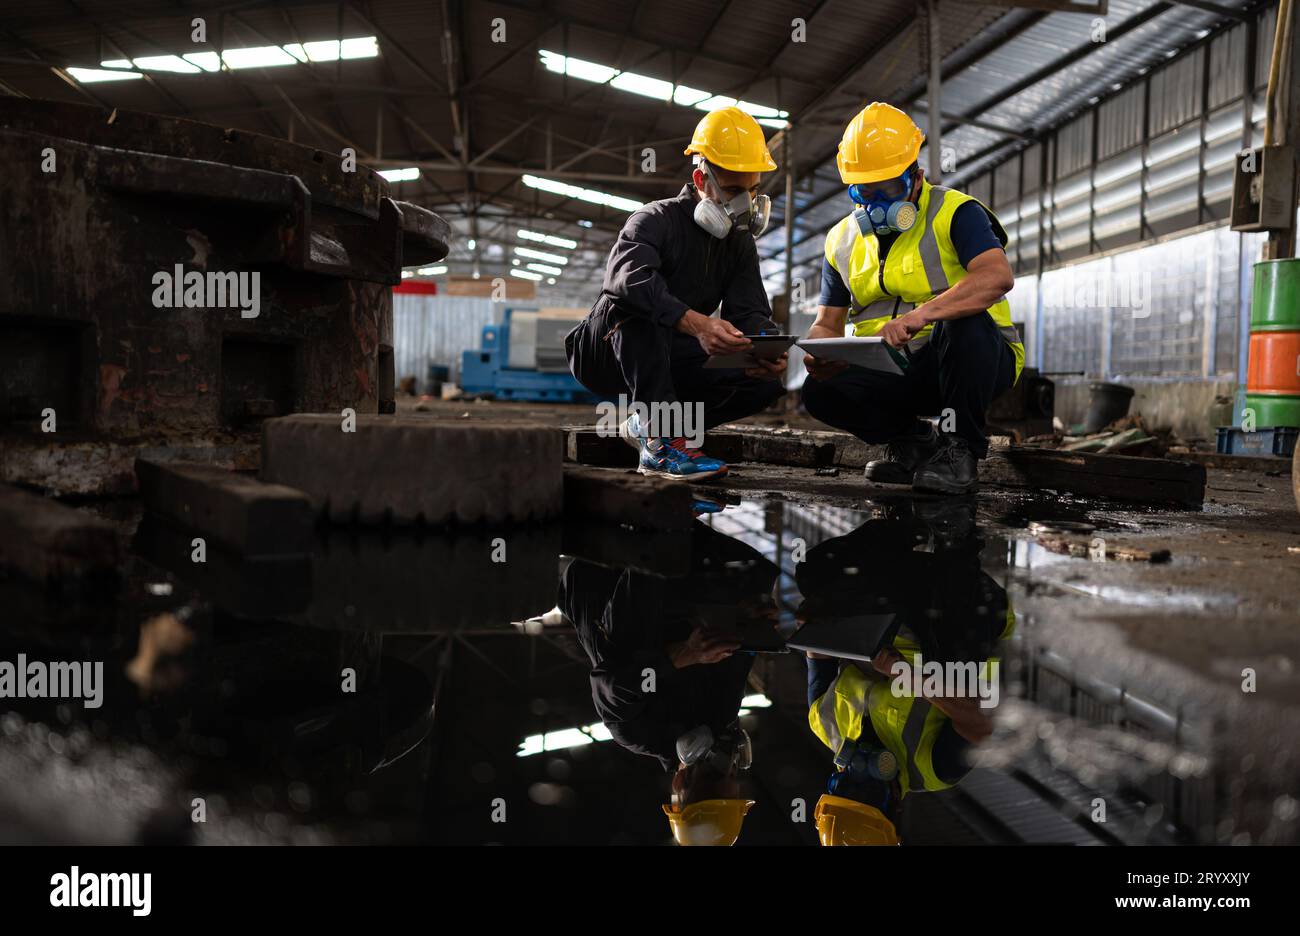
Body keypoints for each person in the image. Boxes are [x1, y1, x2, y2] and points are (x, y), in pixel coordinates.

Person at [801, 102, 1024, 495]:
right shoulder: (841, 239)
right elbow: (827, 321)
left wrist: (920, 316)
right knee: (820, 392)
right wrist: (819, 348)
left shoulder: (954, 212)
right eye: (864, 192)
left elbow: (996, 276)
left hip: (973, 362)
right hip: (898, 369)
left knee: (963, 319)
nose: (877, 203)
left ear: (916, 176)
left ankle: (960, 451)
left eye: (890, 189)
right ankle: (914, 443)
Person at [565, 106, 787, 482]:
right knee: (640, 306)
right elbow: (625, 281)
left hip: (669, 358)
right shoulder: (653, 219)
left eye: (752, 191)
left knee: (761, 383)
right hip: (604, 353)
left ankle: (656, 427)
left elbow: (749, 311)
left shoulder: (739, 243)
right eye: (734, 191)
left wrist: (765, 345)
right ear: (702, 179)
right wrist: (697, 324)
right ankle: (660, 440)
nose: (745, 205)